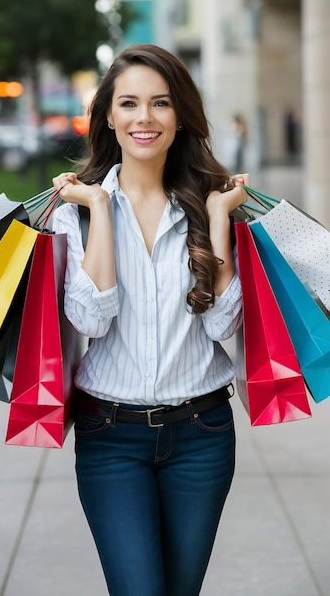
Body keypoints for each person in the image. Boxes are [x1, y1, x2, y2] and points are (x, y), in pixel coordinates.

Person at [52, 44, 248, 596]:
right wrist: (101, 213)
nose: (145, 118)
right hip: (109, 437)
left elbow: (223, 325)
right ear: (108, 117)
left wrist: (216, 222)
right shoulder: (76, 211)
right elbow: (90, 317)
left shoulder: (209, 205)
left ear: (179, 114)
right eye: (129, 103)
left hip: (203, 435)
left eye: (160, 103)